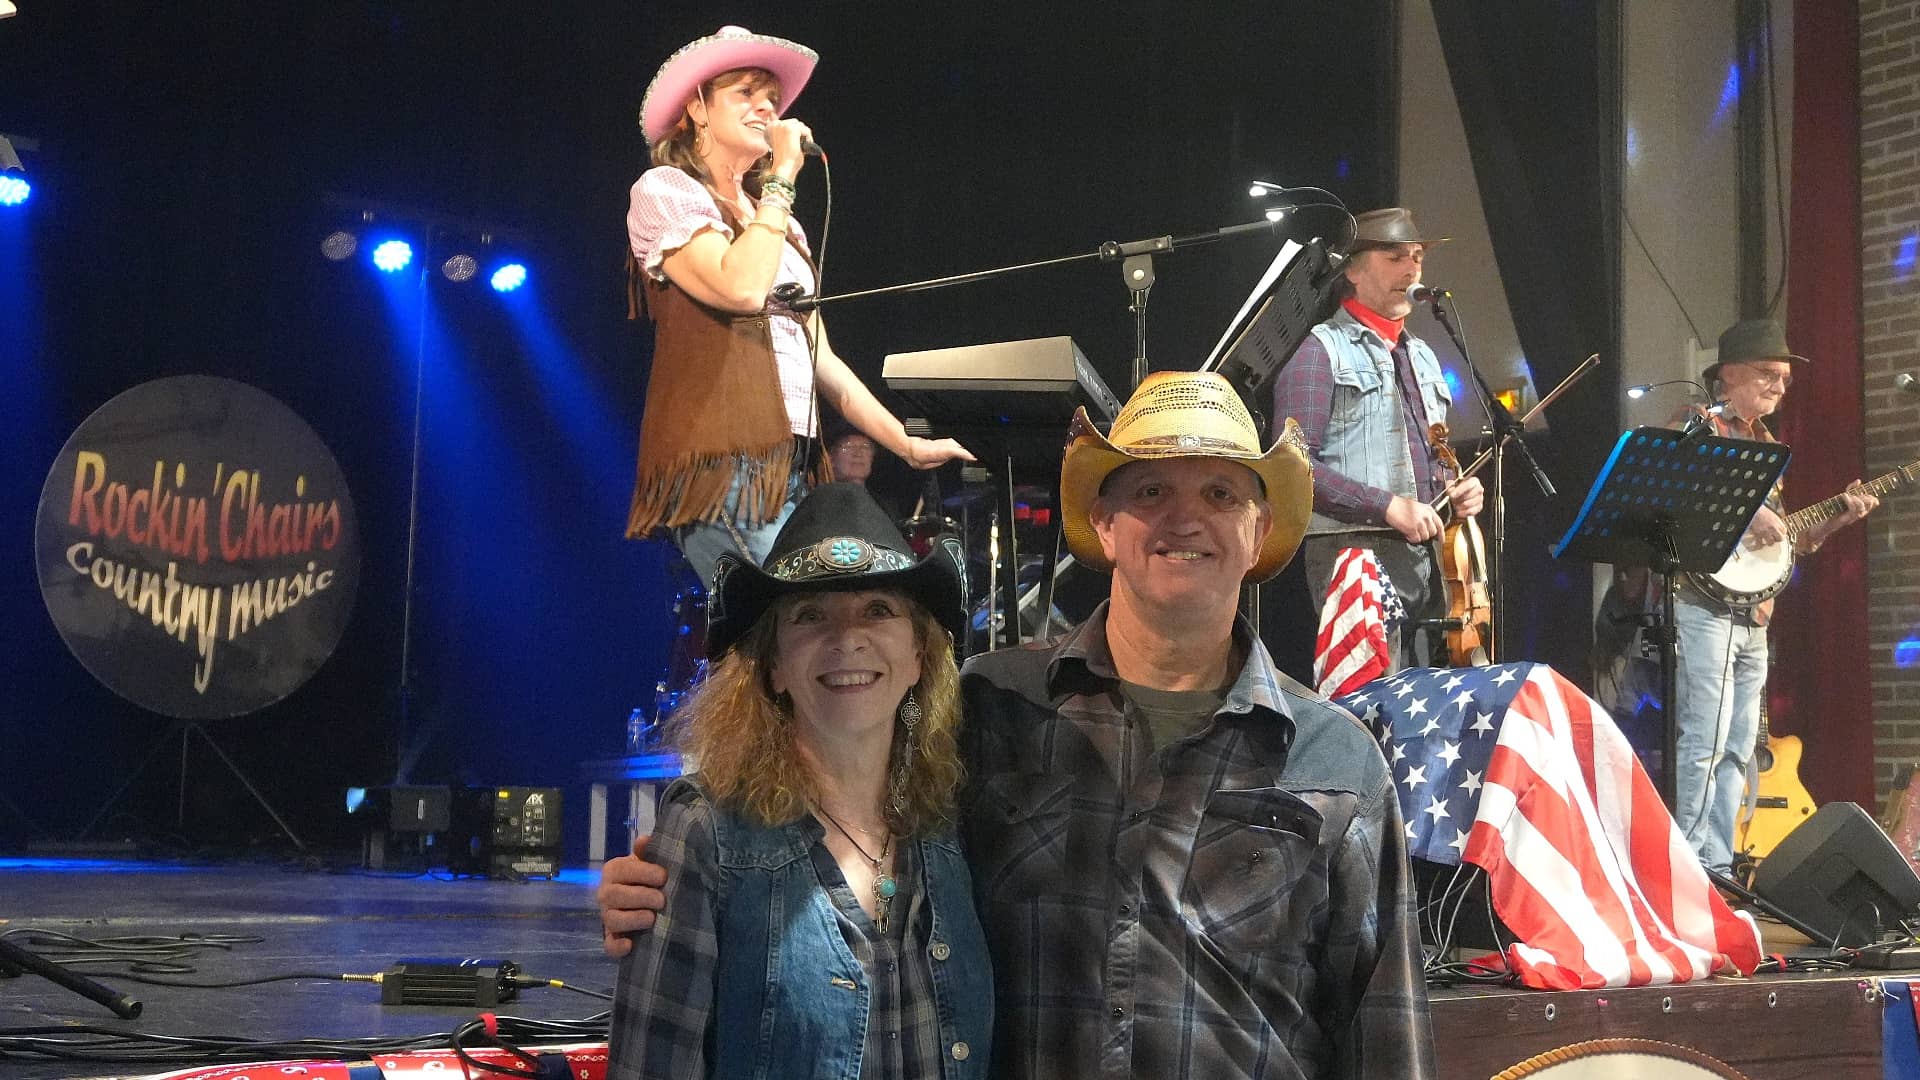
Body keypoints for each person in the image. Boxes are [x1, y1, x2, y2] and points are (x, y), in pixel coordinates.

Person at [605, 372, 1435, 1080]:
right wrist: (673, 883)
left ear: (1258, 532)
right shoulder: (990, 708)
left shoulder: (1338, 759)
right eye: (1150, 489)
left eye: (1221, 492)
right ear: (1104, 527)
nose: (1185, 518)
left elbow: (1384, 1031)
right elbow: (823, 772)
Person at [607, 482, 992, 1079]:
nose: (846, 638)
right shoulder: (708, 831)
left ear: (919, 656)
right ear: (775, 667)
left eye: (878, 609)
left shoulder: (952, 818)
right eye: (810, 615)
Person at [623, 26, 971, 586]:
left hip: (791, 460)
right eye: (746, 93)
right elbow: (738, 289)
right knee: (788, 617)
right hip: (725, 455)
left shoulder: (779, 222)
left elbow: (822, 358)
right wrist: (782, 178)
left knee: (793, 636)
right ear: (697, 107)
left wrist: (903, 444)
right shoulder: (668, 189)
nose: (767, 108)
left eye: (774, 100)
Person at [1652, 318, 1876, 873]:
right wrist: (1749, 514)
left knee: (1735, 747)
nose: (1779, 387)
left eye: (1784, 379)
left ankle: (1720, 867)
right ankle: (1690, 870)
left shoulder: (1767, 443)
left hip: (1755, 614)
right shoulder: (1697, 424)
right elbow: (1673, 493)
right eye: (1768, 376)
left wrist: (1830, 524)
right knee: (1703, 740)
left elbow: (1782, 545)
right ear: (1728, 375)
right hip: (1705, 607)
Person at [1272, 207, 1485, 671]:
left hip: (1431, 563)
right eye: (1394, 257)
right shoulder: (1318, 351)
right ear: (1351, 268)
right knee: (1373, 704)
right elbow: (1291, 471)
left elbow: (1434, 459)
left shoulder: (1425, 356)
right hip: (1353, 557)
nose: (1411, 269)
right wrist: (1386, 505)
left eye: (1416, 258)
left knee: (1431, 708)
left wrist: (1459, 487)